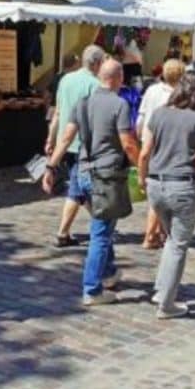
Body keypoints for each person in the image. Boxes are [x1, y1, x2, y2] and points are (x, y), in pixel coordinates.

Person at [44, 59, 140, 306]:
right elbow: (128, 143)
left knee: (103, 228)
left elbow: (66, 138)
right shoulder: (119, 104)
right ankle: (92, 289)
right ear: (118, 78)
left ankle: (108, 273)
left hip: (83, 170)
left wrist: (51, 166)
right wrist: (142, 169)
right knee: (101, 233)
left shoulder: (83, 103)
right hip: (106, 175)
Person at [138, 75, 195, 319]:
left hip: (156, 184)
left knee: (171, 240)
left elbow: (145, 152)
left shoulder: (158, 114)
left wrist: (141, 178)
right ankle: (166, 304)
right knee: (178, 244)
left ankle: (161, 290)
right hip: (183, 187)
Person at [45, 44, 105, 248]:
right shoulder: (95, 85)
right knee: (77, 190)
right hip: (83, 144)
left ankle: (102, 221)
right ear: (97, 63)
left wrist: (51, 138)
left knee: (80, 185)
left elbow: (58, 112)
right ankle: (62, 233)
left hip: (66, 141)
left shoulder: (66, 80)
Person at [135, 59, 186, 250]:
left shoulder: (152, 90)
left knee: (157, 190)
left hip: (149, 141)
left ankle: (160, 231)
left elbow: (140, 118)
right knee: (160, 191)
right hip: (166, 145)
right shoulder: (179, 95)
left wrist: (140, 137)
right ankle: (150, 234)